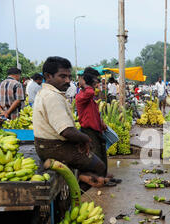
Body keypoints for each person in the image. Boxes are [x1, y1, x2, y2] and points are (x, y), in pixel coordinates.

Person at [33, 56, 112, 189]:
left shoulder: (46, 93)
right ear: (48, 76)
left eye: (69, 76)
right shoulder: (52, 96)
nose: (68, 81)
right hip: (55, 148)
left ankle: (81, 178)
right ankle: (78, 189)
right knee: (99, 166)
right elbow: (66, 131)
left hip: (45, 146)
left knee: (92, 158)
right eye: (62, 76)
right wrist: (85, 139)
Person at [76, 67, 121, 186]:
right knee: (96, 155)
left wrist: (101, 123)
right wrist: (87, 83)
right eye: (95, 81)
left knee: (102, 153)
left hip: (97, 129)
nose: (97, 84)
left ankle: (105, 176)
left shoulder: (90, 99)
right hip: (88, 131)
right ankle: (101, 180)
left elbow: (95, 113)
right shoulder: (81, 96)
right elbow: (90, 91)